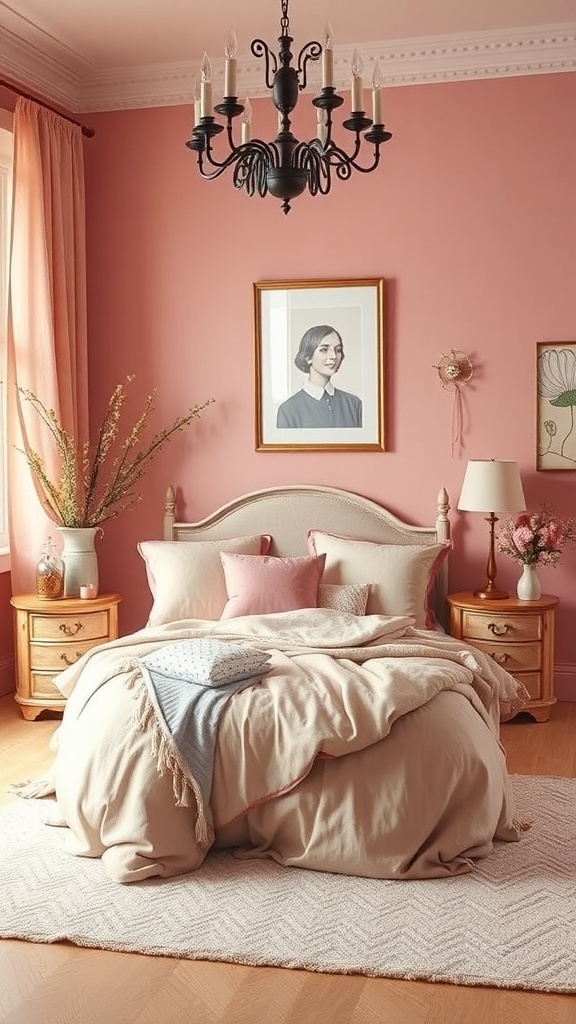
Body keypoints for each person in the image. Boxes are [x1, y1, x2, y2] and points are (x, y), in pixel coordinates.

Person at [276, 324, 363, 429]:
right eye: (324, 350)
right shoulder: (288, 410)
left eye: (338, 350)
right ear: (308, 357)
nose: (334, 356)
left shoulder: (354, 404)